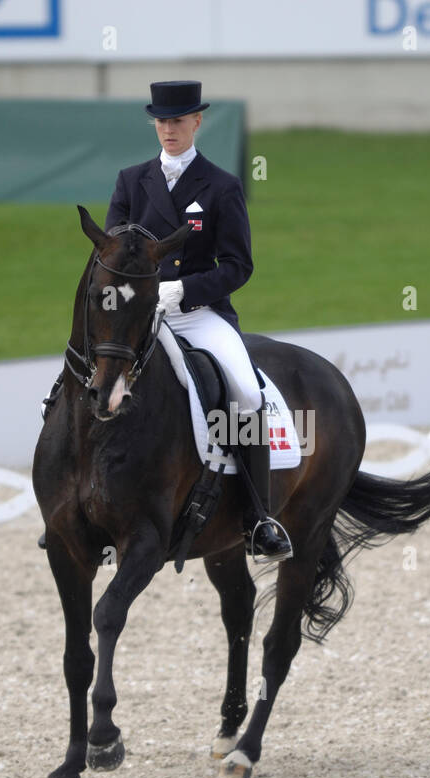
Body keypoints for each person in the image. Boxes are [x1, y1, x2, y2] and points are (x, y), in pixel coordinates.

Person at [105, 80, 291, 562]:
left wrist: (184, 289)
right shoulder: (130, 182)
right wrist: (138, 296)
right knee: (95, 375)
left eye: (178, 121)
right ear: (155, 124)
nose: (169, 129)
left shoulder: (221, 186)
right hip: (142, 315)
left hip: (198, 314)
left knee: (248, 393)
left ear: (197, 122)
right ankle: (81, 506)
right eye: (162, 122)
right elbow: (112, 255)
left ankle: (258, 517)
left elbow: (238, 266)